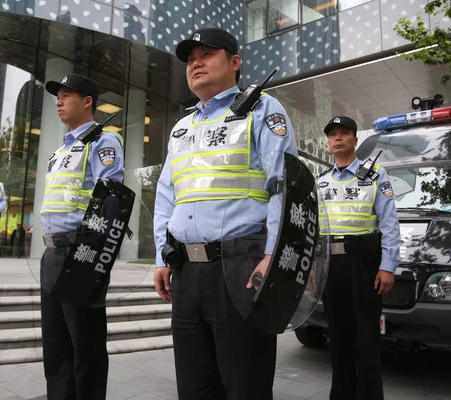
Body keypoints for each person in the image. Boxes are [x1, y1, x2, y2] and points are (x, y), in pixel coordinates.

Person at [153, 27, 298, 400]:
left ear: (235, 63)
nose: (196, 63)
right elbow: (167, 197)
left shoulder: (262, 109)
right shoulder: (182, 128)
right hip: (186, 271)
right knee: (194, 386)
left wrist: (274, 257)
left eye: (207, 54)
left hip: (240, 265)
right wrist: (160, 257)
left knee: (244, 384)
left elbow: (284, 185)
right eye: (190, 59)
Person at [39, 73, 124, 400]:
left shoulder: (104, 141)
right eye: (57, 96)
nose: (59, 101)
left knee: (84, 346)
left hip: (81, 252)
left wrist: (98, 260)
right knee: (56, 346)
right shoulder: (59, 152)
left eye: (66, 95)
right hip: (52, 254)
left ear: (87, 101)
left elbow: (110, 202)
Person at [318, 116, 401, 400]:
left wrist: (387, 267)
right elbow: (315, 228)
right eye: (332, 134)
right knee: (337, 338)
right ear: (327, 142)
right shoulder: (321, 182)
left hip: (363, 264)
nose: (337, 138)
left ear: (355, 139)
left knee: (366, 337)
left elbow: (389, 224)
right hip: (331, 266)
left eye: (344, 133)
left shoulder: (376, 175)